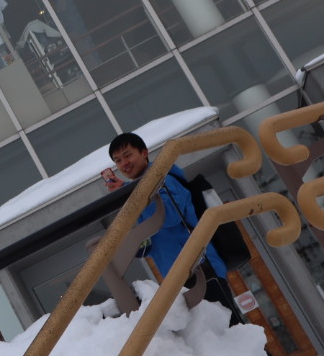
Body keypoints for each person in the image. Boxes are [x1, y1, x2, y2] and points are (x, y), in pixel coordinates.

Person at [102, 132, 244, 328]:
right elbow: (152, 239)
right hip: (178, 276)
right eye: (118, 160)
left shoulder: (163, 179)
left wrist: (131, 193)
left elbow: (169, 216)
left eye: (128, 155)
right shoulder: (141, 190)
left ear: (144, 153)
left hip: (201, 268)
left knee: (231, 329)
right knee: (214, 336)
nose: (124, 163)